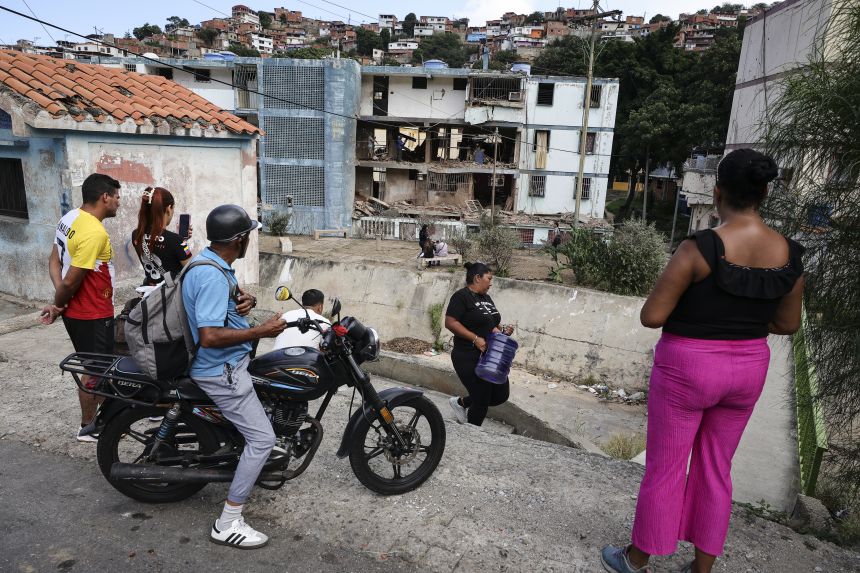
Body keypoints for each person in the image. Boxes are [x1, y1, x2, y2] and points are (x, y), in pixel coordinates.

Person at [600, 149, 805, 573]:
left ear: (717, 192)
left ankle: (637, 560)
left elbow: (652, 315)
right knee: (716, 469)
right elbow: (788, 324)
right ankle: (701, 568)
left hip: (687, 368)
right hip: (748, 368)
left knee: (667, 467)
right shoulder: (789, 254)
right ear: (765, 193)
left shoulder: (700, 248)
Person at [181, 204, 288, 549]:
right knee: (262, 440)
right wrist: (261, 331)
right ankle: (227, 522)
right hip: (220, 369)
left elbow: (222, 308)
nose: (249, 240)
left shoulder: (210, 262)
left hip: (226, 363)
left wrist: (247, 301)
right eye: (249, 235)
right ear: (239, 239)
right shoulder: (213, 276)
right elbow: (210, 335)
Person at [41, 173, 121, 443]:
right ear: (105, 197)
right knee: (95, 371)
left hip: (77, 311)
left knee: (96, 365)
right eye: (117, 197)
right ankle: (88, 427)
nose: (119, 202)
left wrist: (61, 302)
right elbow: (71, 281)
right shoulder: (94, 232)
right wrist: (59, 301)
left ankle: (102, 421)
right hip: (92, 312)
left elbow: (53, 261)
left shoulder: (69, 218)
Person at [444, 262, 515, 426]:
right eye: (489, 279)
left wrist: (502, 331)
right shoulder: (461, 297)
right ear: (477, 278)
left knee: (501, 395)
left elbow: (491, 324)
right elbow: (450, 322)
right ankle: (471, 434)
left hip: (490, 356)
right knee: (481, 400)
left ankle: (461, 403)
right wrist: (475, 338)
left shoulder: (486, 298)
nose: (491, 283)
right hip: (467, 355)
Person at [131, 186, 192, 286]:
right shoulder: (176, 240)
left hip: (150, 292)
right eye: (173, 208)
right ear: (169, 208)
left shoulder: (136, 234)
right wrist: (182, 242)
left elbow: (161, 247)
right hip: (171, 293)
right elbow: (191, 272)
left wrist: (180, 240)